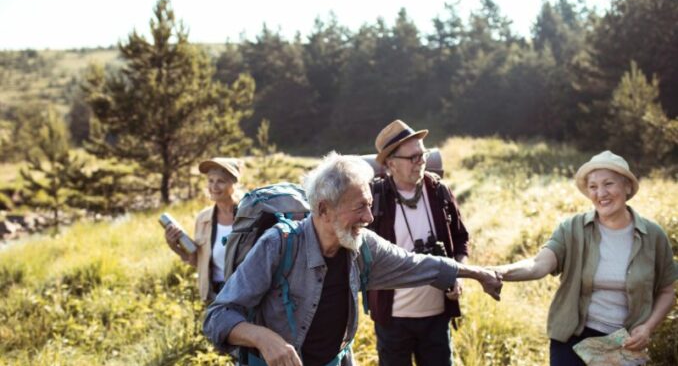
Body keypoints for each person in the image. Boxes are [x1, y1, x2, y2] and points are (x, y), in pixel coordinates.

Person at [203, 152, 503, 366]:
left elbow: (418, 265)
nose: (369, 218)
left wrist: (477, 273)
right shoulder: (279, 245)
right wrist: (265, 339)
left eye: (370, 205)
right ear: (323, 210)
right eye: (360, 207)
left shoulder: (362, 246)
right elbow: (218, 317)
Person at [492, 150, 677, 366]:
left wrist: (647, 328)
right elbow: (537, 265)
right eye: (593, 187)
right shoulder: (572, 229)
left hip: (624, 344)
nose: (601, 193)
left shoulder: (653, 235)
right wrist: (495, 272)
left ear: (627, 186)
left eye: (608, 184)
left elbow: (667, 291)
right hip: (574, 340)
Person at [367, 119, 469, 366]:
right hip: (392, 319)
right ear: (391, 163)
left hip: (436, 317)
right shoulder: (376, 198)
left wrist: (458, 274)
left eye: (422, 154)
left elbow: (461, 238)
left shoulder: (439, 191)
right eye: (412, 157)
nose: (420, 161)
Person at [164, 157, 242, 302]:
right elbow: (198, 262)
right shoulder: (203, 219)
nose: (214, 187)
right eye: (210, 181)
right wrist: (174, 246)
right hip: (216, 295)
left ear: (234, 183)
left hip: (246, 293)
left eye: (221, 181)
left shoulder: (249, 215)